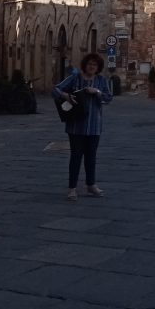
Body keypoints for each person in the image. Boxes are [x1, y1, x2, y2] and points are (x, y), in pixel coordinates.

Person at [53, 53, 113, 200]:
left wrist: (97, 92)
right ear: (85, 65)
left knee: (91, 157)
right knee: (75, 156)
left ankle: (91, 185)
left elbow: (108, 98)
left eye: (95, 64)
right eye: (89, 64)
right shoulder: (75, 78)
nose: (92, 67)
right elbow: (56, 89)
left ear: (98, 67)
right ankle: (72, 188)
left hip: (94, 125)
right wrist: (66, 96)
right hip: (76, 125)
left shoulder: (101, 80)